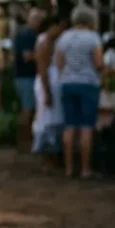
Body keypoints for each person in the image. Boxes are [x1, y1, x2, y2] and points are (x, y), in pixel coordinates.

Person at [55, 5, 104, 179]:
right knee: (86, 127)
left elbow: (58, 62)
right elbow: (98, 63)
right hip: (88, 84)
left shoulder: (64, 37)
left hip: (67, 83)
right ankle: (85, 169)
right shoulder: (93, 38)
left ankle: (69, 168)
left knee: (69, 126)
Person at [33, 12, 68, 167]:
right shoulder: (45, 41)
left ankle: (54, 154)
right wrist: (47, 91)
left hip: (54, 82)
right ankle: (47, 156)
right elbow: (42, 67)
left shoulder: (56, 41)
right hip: (48, 82)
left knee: (55, 119)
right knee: (47, 120)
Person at [12, 9, 44, 152]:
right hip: (26, 77)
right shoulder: (28, 35)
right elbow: (27, 56)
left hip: (23, 77)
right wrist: (45, 56)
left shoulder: (23, 33)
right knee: (28, 110)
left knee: (28, 110)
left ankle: (24, 142)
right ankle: (24, 142)